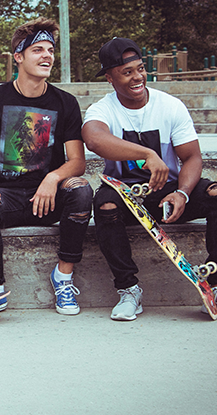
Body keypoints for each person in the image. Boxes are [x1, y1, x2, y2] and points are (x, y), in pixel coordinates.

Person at [82, 37, 217, 321]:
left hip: (167, 195)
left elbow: (192, 158)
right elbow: (94, 139)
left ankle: (214, 283)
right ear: (110, 77)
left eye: (140, 69)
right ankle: (129, 290)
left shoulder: (170, 106)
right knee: (104, 205)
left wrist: (182, 193)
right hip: (124, 196)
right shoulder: (102, 109)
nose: (137, 77)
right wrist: (147, 153)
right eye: (127, 72)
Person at [0, 17, 93, 317]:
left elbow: (77, 161)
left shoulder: (65, 103)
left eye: (50, 49)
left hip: (49, 197)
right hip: (9, 195)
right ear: (19, 56)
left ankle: (63, 277)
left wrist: (53, 177)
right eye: (38, 49)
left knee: (81, 191)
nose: (47, 55)